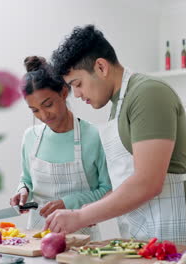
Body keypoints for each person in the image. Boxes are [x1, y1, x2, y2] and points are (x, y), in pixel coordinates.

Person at [44, 25, 186, 246]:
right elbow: (125, 180)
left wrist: (81, 217)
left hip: (184, 231)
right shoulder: (118, 105)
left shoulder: (147, 94)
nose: (77, 94)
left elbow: (148, 182)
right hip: (147, 230)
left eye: (78, 84)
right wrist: (88, 210)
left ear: (101, 67)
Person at [9, 56, 111, 240]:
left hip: (83, 240)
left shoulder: (94, 136)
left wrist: (68, 203)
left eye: (47, 105)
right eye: (34, 110)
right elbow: (26, 179)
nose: (43, 115)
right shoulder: (30, 137)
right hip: (37, 238)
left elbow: (107, 191)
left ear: (64, 92)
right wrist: (22, 191)